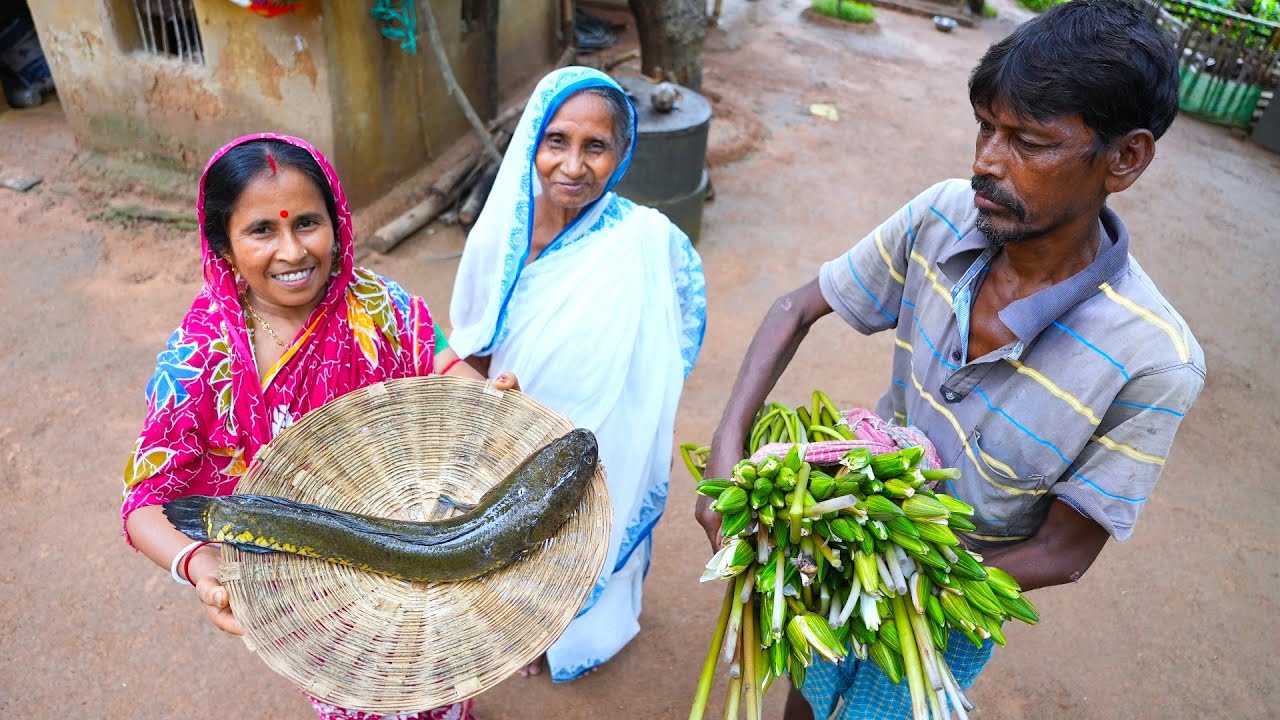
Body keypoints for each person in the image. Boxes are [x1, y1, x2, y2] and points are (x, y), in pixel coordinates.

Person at [696, 3, 1205, 718]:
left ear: (1125, 158)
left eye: (1028, 141)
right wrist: (726, 456)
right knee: (805, 693)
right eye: (986, 127)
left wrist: (900, 578)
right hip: (855, 526)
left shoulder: (1154, 359)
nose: (986, 163)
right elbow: (795, 308)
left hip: (956, 586)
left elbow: (1064, 551)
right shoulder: (942, 219)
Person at [121, 133, 517, 720]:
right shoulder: (202, 355)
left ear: (337, 221)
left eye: (308, 222)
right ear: (222, 244)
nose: (292, 251)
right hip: (303, 587)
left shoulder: (377, 307)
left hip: (410, 543)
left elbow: (438, 362)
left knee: (436, 677)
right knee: (357, 697)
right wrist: (203, 569)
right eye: (262, 230)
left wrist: (483, 396)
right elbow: (144, 503)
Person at [448, 66, 707, 682]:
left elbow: (677, 322)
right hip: (517, 422)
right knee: (516, 529)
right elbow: (472, 341)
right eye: (557, 141)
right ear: (532, 140)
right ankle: (524, 628)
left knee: (594, 524)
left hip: (606, 427)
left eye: (596, 147)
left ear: (621, 153)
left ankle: (577, 631)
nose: (573, 164)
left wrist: (635, 395)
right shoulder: (500, 234)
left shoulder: (644, 239)